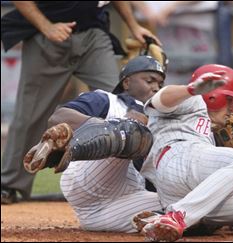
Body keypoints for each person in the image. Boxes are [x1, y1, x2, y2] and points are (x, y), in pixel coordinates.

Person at [1, 1, 161, 204]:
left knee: (123, 102)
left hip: (94, 33)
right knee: (31, 114)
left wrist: (133, 25)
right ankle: (9, 185)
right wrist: (46, 26)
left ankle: (138, 183)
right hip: (49, 34)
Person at [131, 64, 233, 241]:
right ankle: (177, 216)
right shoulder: (193, 100)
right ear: (213, 96)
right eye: (230, 100)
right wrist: (191, 90)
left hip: (187, 199)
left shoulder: (210, 134)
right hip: (177, 159)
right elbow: (160, 100)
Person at [23, 55, 165, 232]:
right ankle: (70, 149)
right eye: (150, 80)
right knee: (133, 131)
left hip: (111, 208)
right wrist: (106, 126)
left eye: (160, 85)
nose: (155, 88)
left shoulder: (161, 122)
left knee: (188, 206)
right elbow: (58, 118)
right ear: (127, 82)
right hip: (88, 181)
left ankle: (160, 218)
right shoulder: (107, 100)